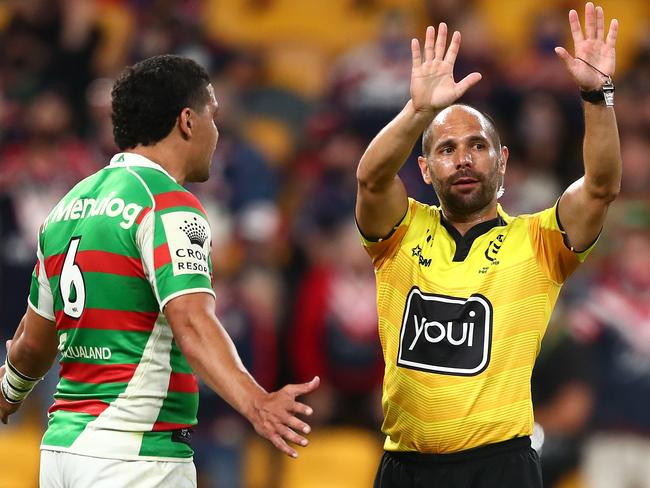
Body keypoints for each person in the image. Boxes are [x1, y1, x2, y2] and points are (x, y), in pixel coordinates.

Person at [0, 54, 319, 487]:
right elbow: (191, 320)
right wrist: (256, 401)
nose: (217, 132)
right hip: (135, 457)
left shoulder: (65, 207)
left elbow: (32, 342)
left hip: (61, 456)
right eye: (214, 117)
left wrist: (9, 392)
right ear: (188, 121)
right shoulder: (167, 205)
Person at [354, 3, 621, 487]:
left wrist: (595, 95)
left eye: (476, 146)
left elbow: (601, 187)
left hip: (502, 468)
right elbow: (371, 180)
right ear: (425, 169)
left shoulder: (539, 241)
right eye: (446, 149)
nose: (462, 159)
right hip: (405, 467)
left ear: (502, 161)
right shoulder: (399, 232)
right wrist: (418, 111)